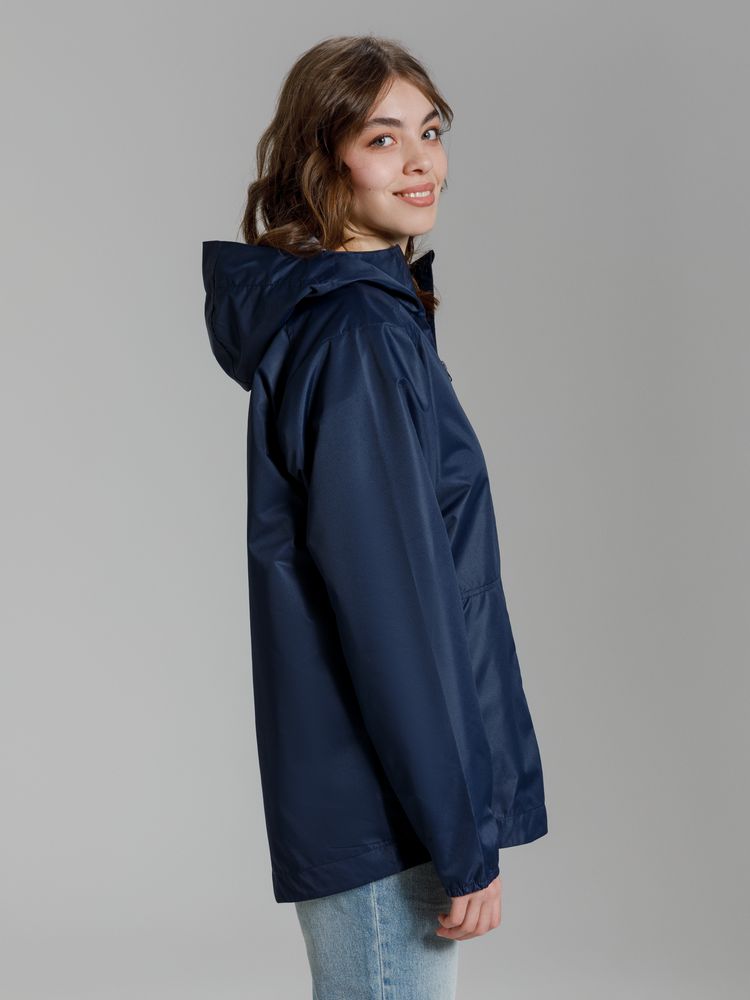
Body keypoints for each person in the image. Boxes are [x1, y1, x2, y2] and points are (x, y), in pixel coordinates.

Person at [202, 34, 548, 1000]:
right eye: (381, 139)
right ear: (326, 160)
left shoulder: (367, 318)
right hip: (387, 809)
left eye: (429, 131)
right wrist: (460, 835)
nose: (420, 161)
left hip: (384, 792)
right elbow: (394, 612)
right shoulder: (357, 335)